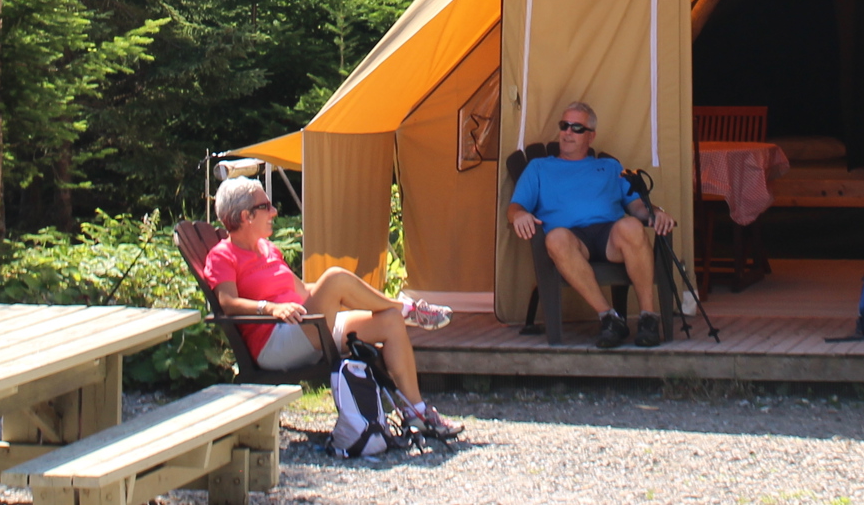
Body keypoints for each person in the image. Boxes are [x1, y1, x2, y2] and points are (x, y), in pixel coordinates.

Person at [200, 176, 461, 437]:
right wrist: (269, 309)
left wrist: (339, 293)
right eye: (265, 206)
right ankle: (409, 309)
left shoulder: (267, 250)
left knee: (390, 320)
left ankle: (417, 414)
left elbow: (304, 291)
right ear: (246, 215)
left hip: (306, 327)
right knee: (335, 278)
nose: (274, 211)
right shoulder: (223, 255)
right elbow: (227, 303)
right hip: (275, 342)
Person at [505, 100, 676, 348]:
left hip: (610, 237)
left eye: (577, 128)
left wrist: (657, 213)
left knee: (632, 227)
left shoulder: (609, 166)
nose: (567, 132)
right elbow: (515, 207)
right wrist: (518, 215)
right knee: (555, 238)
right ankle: (609, 318)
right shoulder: (539, 167)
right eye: (564, 126)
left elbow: (637, 207)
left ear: (591, 136)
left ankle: (648, 317)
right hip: (572, 240)